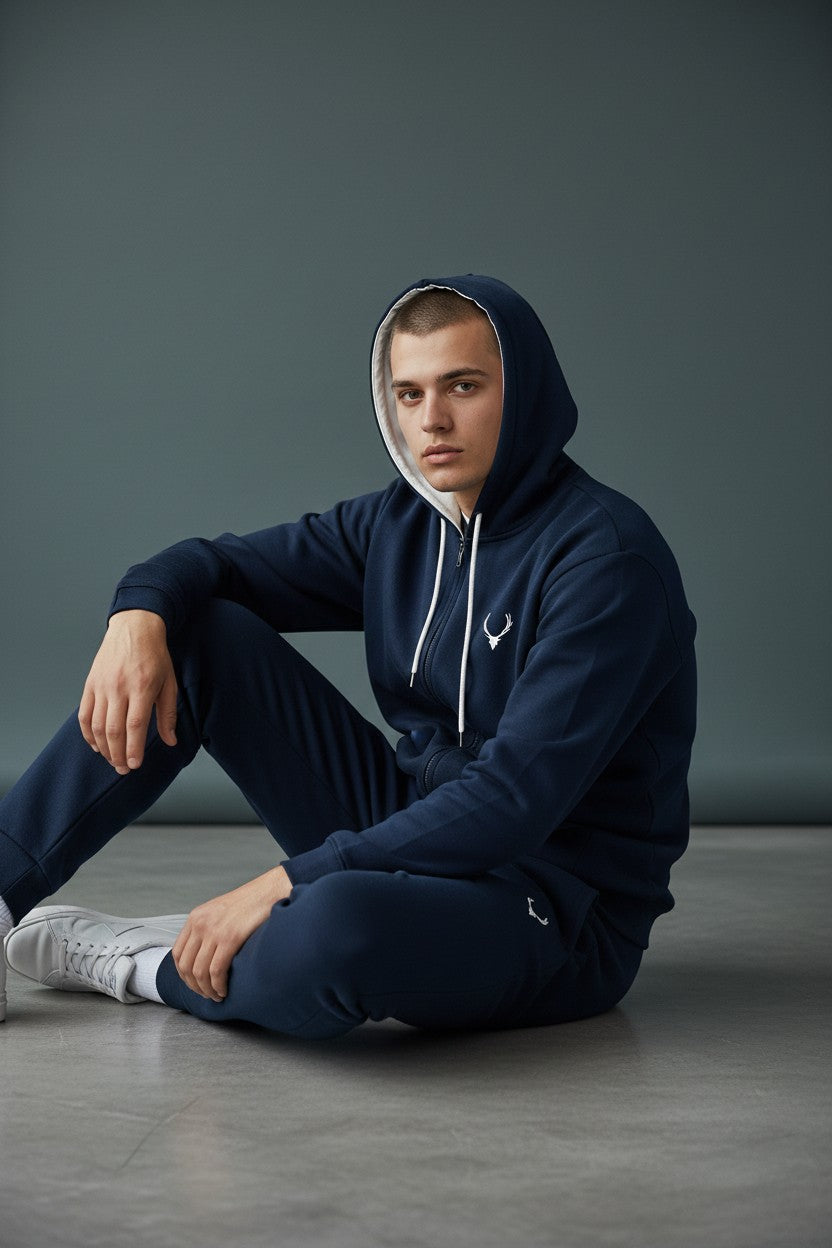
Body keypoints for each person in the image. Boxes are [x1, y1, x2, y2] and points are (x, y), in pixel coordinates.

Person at [0, 275, 697, 1039]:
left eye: (462, 386)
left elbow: (513, 802)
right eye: (408, 394)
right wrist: (137, 613)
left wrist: (291, 880)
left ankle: (144, 964)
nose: (431, 420)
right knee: (197, 633)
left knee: (338, 927)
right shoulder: (403, 526)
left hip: (554, 907)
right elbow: (218, 565)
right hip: (414, 829)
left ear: (523, 390)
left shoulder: (606, 560)